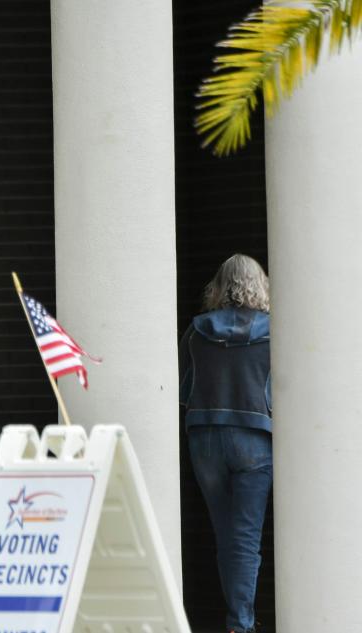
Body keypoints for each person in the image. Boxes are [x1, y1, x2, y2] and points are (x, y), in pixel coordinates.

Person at [179, 254, 272, 633]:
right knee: (245, 537)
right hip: (253, 438)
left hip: (204, 438)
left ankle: (239, 620)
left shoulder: (197, 330)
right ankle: (240, 624)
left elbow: (182, 386)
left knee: (224, 533)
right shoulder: (275, 332)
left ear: (218, 286)